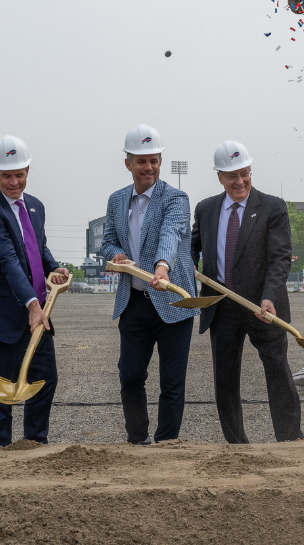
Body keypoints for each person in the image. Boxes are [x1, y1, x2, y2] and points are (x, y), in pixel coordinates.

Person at [191, 140, 303, 443]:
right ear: (219, 177)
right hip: (221, 306)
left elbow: (280, 258)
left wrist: (269, 296)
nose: (240, 182)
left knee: (278, 371)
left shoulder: (272, 207)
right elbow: (192, 249)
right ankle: (236, 443)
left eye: (245, 174)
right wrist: (182, 271)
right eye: (232, 176)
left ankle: (290, 439)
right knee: (225, 378)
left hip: (264, 307)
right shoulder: (206, 209)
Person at [102, 124, 198, 445]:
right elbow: (107, 242)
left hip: (173, 302)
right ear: (127, 163)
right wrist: (115, 253)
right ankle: (138, 438)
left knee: (172, 382)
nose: (149, 168)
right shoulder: (116, 201)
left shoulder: (176, 198)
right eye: (141, 161)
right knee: (130, 376)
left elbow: (170, 234)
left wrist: (162, 267)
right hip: (134, 302)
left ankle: (167, 443)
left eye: (154, 160)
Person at [0, 135, 69, 447]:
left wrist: (54, 267)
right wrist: (31, 305)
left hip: (39, 312)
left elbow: (37, 248)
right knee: (2, 388)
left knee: (45, 378)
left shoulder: (35, 207)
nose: (14, 182)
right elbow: (8, 262)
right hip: (3, 316)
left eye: (20, 174)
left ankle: (34, 444)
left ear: (27, 169)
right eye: (7, 176)